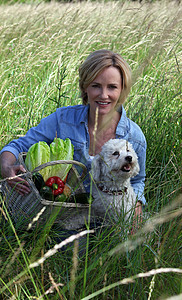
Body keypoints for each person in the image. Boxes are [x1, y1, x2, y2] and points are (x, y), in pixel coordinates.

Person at [0, 49, 147, 231]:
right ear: (85, 86)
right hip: (63, 216)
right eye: (96, 85)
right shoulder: (63, 120)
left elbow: (138, 181)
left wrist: (135, 211)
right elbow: (18, 145)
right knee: (72, 248)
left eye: (112, 87)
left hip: (111, 217)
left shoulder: (134, 136)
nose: (103, 95)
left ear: (122, 89)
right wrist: (6, 167)